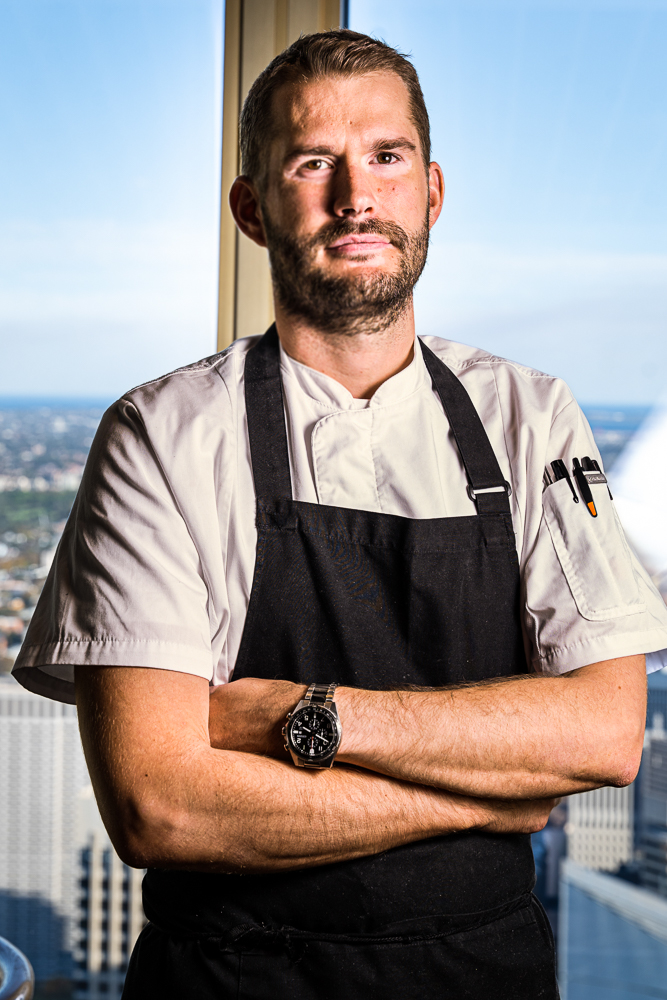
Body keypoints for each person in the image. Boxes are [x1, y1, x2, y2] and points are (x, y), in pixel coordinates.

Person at [14, 29, 667, 1000]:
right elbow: (161, 805)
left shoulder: (530, 416)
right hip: (231, 981)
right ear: (251, 209)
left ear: (431, 192)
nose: (357, 196)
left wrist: (305, 716)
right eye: (313, 162)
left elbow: (604, 733)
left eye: (386, 157)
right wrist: (490, 798)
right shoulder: (160, 434)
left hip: (485, 976)